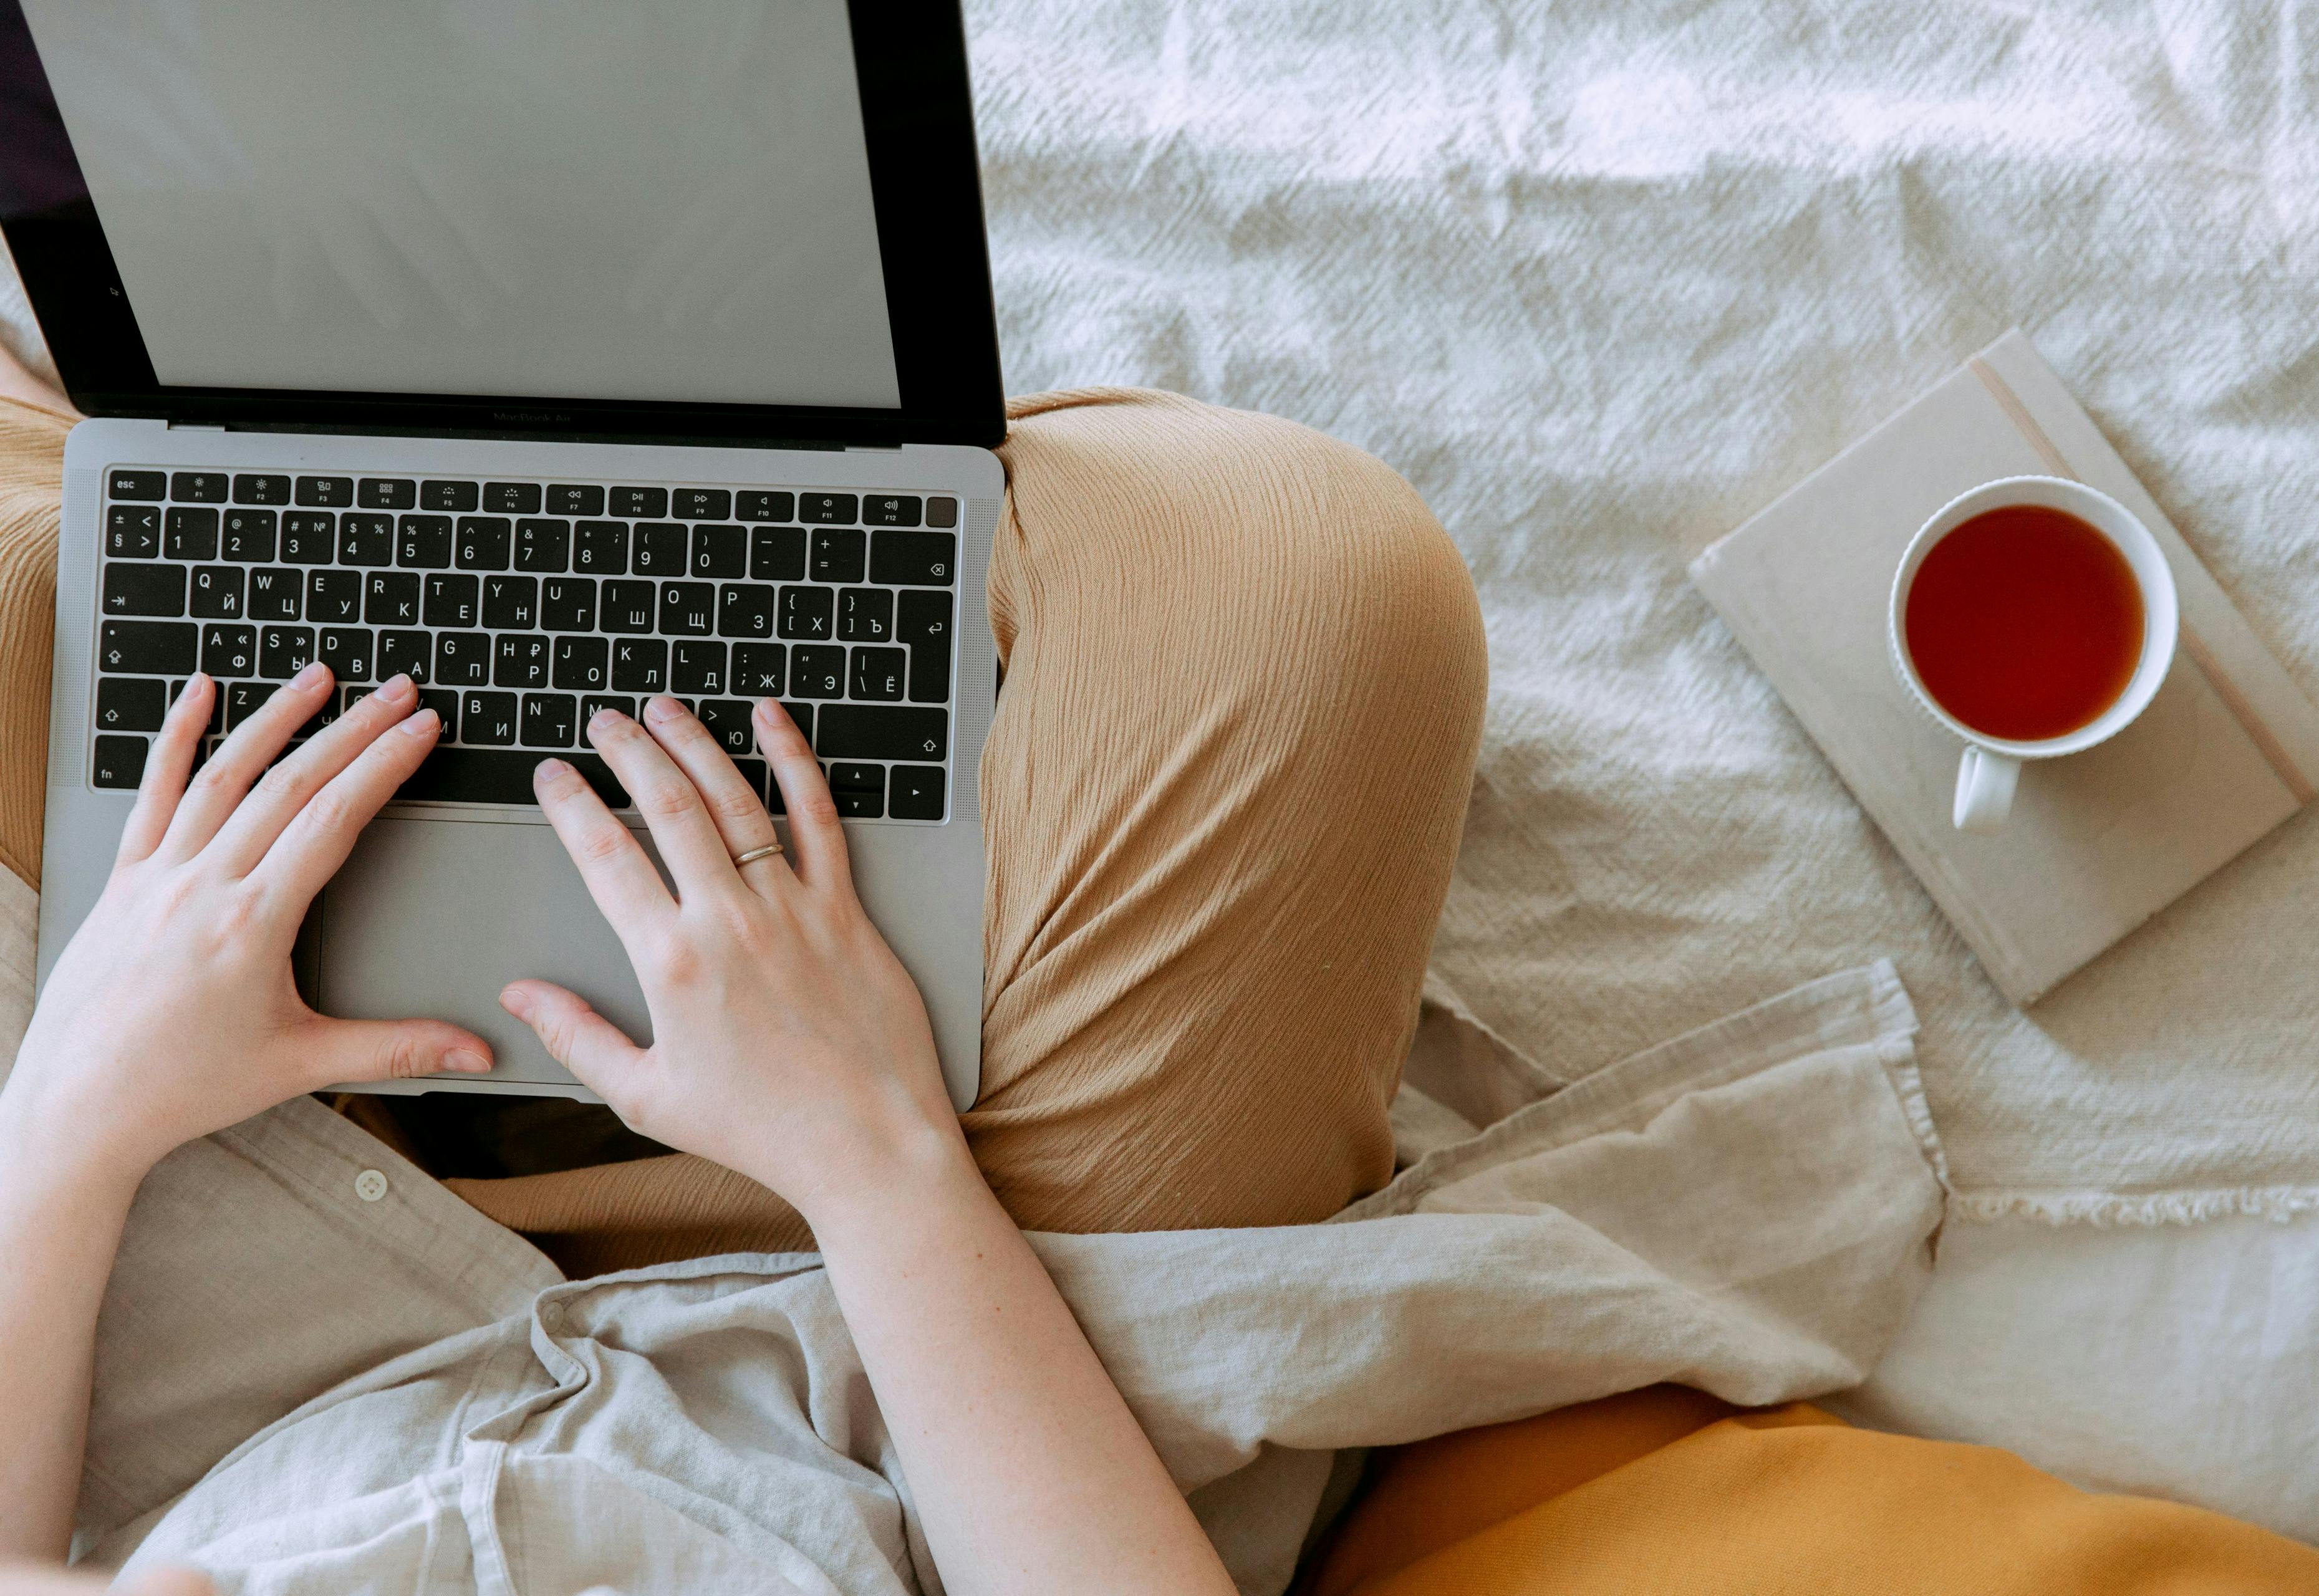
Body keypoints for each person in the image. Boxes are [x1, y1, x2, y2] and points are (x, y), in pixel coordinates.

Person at [0, 347, 1489, 1592]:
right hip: (909, 1404)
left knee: (87, 588)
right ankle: (759, 442)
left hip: (228, 1352)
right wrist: (871, 1150)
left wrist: (75, 1103)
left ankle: (280, 427)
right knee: (1314, 595)